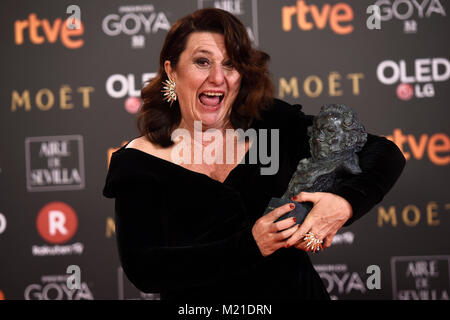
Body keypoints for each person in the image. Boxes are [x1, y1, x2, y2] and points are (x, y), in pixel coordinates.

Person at [103, 8, 405, 300]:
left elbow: (383, 152)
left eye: (230, 64)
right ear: (172, 70)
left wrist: (345, 203)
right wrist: (250, 245)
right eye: (202, 62)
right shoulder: (139, 162)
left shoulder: (272, 123)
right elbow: (144, 269)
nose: (218, 78)